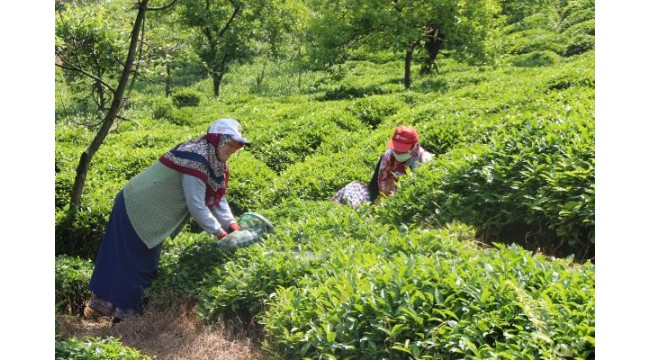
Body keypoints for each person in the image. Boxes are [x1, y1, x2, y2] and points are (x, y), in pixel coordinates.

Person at [84, 118, 250, 322]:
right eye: (230, 143)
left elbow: (216, 199)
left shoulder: (216, 163)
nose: (233, 149)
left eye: (238, 146)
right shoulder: (197, 158)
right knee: (137, 265)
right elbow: (196, 204)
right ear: (217, 139)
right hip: (137, 206)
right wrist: (220, 234)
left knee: (138, 263)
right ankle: (125, 320)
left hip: (152, 213)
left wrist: (231, 225)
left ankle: (121, 316)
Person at [332, 125, 433, 209]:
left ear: (414, 146)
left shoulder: (424, 162)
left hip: (408, 207)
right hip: (386, 205)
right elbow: (373, 188)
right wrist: (368, 208)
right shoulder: (386, 158)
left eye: (402, 150)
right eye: (396, 148)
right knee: (354, 188)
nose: (397, 152)